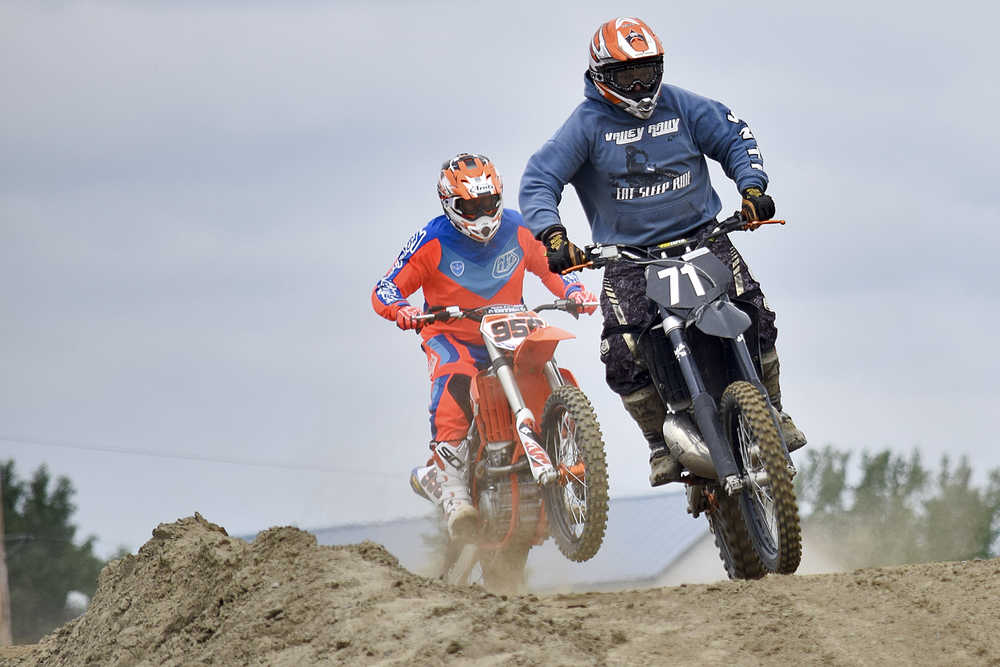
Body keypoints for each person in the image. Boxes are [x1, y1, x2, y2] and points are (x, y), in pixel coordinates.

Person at [518, 17, 806, 488]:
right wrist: (553, 236)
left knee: (756, 312)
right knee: (622, 351)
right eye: (626, 75)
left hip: (704, 237)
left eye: (648, 71)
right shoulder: (585, 125)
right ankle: (658, 442)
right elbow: (538, 181)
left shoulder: (685, 106)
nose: (639, 83)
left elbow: (736, 139)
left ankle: (773, 408)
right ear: (600, 76)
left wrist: (752, 189)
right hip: (628, 257)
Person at [372, 152, 597, 538]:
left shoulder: (518, 228)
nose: (481, 215)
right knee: (453, 379)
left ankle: (573, 437)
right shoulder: (431, 240)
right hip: (452, 333)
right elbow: (386, 287)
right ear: (450, 205)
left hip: (511, 325)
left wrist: (575, 288)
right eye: (470, 207)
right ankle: (452, 490)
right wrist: (401, 309)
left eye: (488, 204)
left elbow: (550, 267)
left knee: (546, 355)